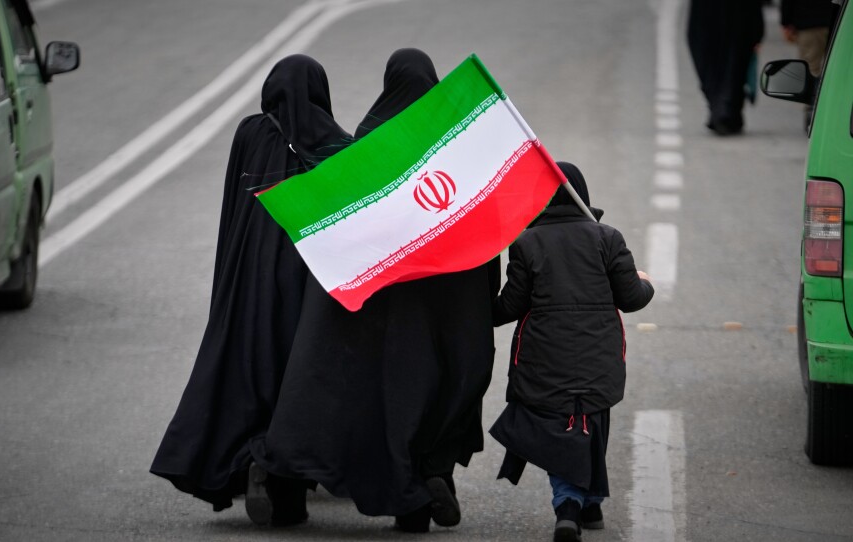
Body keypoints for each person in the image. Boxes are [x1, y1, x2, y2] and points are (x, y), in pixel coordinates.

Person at [248, 48, 500, 533]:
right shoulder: (456, 158)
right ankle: (422, 491)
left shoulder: (364, 156)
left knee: (360, 403)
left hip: (369, 317)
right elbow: (485, 241)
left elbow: (335, 233)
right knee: (428, 402)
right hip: (441, 320)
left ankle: (294, 484)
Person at [149, 54, 352, 525]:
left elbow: (232, 205)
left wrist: (227, 278)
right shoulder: (335, 144)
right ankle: (286, 488)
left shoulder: (250, 132)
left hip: (249, 278)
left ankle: (249, 460)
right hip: (305, 285)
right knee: (295, 379)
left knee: (249, 371)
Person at [489, 162, 654, 542]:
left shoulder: (527, 242)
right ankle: (577, 505)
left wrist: (472, 307)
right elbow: (631, 298)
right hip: (600, 356)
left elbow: (509, 307)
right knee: (591, 422)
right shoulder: (607, 238)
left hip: (544, 358)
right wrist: (646, 283)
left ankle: (577, 505)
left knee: (560, 427)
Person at [687, 0, 765, 135]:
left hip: (711, 31)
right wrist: (757, 33)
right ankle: (727, 112)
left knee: (719, 74)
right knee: (734, 73)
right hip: (737, 28)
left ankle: (721, 111)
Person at [780, 0, 839, 130]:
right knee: (835, 67)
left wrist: (786, 21)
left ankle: (812, 110)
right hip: (834, 21)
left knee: (811, 69)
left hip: (808, 22)